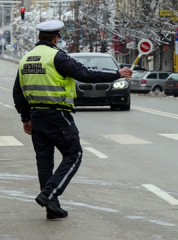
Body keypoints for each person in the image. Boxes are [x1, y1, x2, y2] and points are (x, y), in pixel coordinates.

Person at [13, 20, 132, 220]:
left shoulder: (25, 59)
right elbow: (85, 74)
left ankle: (52, 207)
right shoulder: (57, 57)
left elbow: (18, 92)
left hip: (37, 117)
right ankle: (49, 195)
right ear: (56, 37)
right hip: (58, 116)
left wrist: (26, 118)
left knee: (44, 163)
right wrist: (116, 74)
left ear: (38, 37)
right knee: (74, 154)